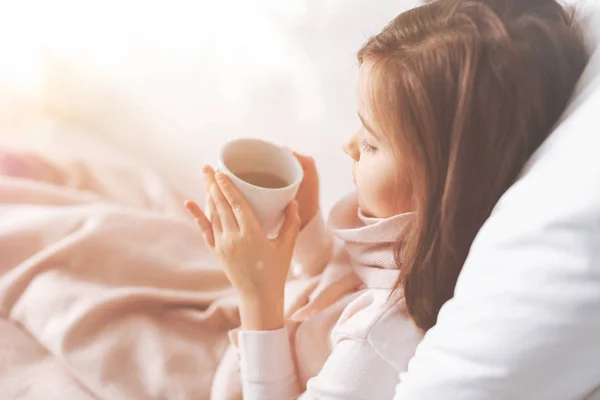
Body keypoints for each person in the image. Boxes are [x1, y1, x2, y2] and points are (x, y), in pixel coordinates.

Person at [185, 0, 589, 398]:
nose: (349, 146)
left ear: (445, 180)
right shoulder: (401, 238)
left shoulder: (377, 342)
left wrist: (257, 297)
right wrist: (306, 227)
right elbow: (345, 284)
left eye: (372, 143)